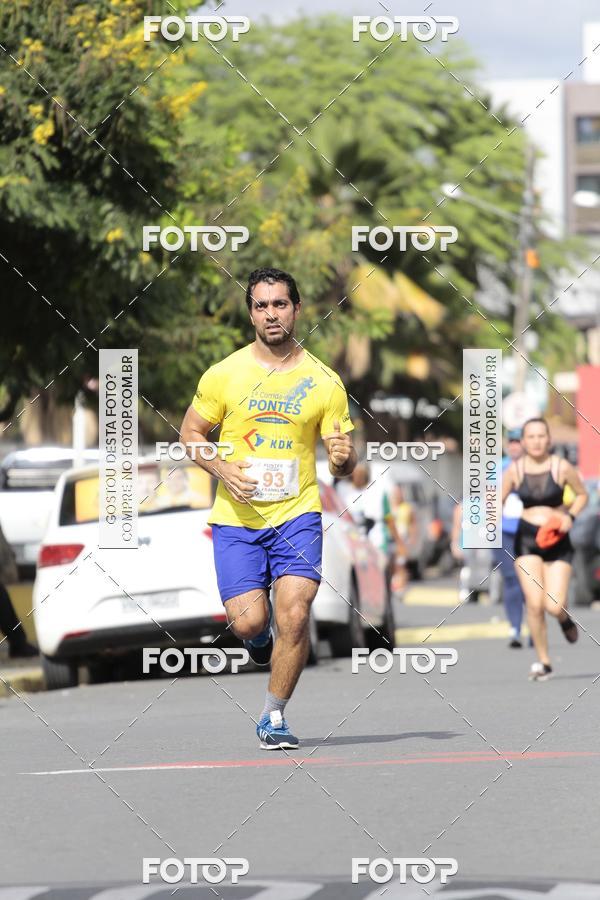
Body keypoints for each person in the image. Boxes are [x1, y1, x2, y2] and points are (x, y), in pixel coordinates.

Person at [180, 267, 357, 749]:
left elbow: (343, 458)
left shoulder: (324, 381)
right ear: (251, 313)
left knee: (295, 615)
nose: (271, 314)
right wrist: (221, 469)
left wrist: (343, 460)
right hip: (237, 520)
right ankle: (258, 642)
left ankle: (273, 716)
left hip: (297, 515)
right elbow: (191, 435)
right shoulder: (224, 374)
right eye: (261, 305)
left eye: (280, 304)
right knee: (250, 622)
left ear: (297, 309)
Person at [502, 417, 588, 681]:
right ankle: (544, 661)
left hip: (557, 539)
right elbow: (495, 499)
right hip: (527, 539)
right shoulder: (515, 471)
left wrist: (569, 517)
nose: (537, 441)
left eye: (541, 436)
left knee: (553, 605)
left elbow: (582, 495)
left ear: (549, 440)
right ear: (523, 441)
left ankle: (563, 619)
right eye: (531, 437)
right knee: (535, 603)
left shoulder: (561, 467)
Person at [493, 429, 527, 648]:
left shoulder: (534, 468)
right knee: (511, 579)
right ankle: (515, 628)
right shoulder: (497, 469)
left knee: (531, 581)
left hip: (529, 531)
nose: (514, 446)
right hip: (504, 532)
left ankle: (535, 626)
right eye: (511, 442)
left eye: (518, 442)